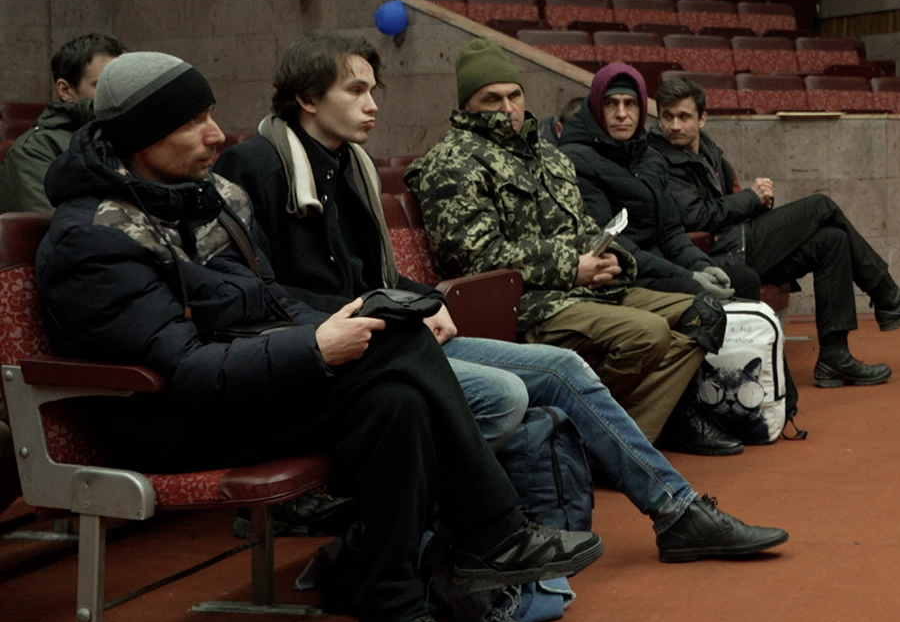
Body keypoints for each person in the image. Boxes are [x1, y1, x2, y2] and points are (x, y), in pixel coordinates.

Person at [35, 51, 602, 622]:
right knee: (396, 345)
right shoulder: (93, 238)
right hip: (161, 418)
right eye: (192, 121)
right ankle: (493, 531)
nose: (217, 134)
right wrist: (315, 347)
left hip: (237, 385)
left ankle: (391, 621)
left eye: (210, 115)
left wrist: (349, 315)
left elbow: (266, 298)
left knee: (398, 398)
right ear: (141, 135)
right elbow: (186, 369)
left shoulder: (206, 196)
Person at [216, 35, 786, 560]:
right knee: (510, 392)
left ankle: (676, 511)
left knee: (570, 365)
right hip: (334, 354)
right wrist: (385, 310)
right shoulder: (257, 166)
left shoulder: (350, 164)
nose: (373, 104)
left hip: (390, 336)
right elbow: (257, 292)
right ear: (308, 99)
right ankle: (446, 533)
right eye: (356, 90)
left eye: (373, 90)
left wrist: (421, 302)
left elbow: (371, 275)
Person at [407, 40, 740, 456]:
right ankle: (617, 444)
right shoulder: (452, 161)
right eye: (491, 99)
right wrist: (571, 266)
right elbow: (475, 257)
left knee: (702, 313)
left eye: (514, 95)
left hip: (585, 290)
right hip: (529, 303)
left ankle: (609, 442)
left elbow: (583, 226)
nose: (507, 108)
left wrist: (609, 257)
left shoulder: (548, 155)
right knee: (647, 333)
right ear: (467, 105)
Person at [644, 76, 900, 388]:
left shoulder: (708, 151)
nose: (674, 126)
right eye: (667, 116)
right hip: (717, 256)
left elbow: (719, 206)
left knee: (832, 241)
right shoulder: (660, 158)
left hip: (738, 240)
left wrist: (759, 203)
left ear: (702, 118)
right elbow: (696, 216)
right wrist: (750, 197)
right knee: (821, 206)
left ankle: (834, 357)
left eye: (683, 116)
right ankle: (886, 295)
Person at [558, 63, 752, 299]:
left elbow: (671, 232)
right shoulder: (576, 159)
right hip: (622, 273)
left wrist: (701, 265)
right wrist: (687, 276)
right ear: (597, 108)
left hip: (661, 265)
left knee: (742, 279)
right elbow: (611, 242)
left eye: (630, 103)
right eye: (611, 103)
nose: (621, 113)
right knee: (697, 293)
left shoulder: (651, 158)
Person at [0, 32, 125, 213]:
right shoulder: (34, 150)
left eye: (125, 84)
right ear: (65, 90)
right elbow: (47, 228)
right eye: (104, 85)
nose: (119, 95)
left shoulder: (137, 134)